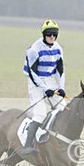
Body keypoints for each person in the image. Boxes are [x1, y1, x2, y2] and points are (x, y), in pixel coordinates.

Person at [20, 19, 67, 156]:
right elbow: (32, 73)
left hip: (50, 81)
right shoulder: (34, 49)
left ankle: (52, 136)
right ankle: (27, 145)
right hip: (35, 82)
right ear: (43, 35)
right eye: (49, 34)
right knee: (40, 114)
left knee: (62, 107)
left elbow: (60, 71)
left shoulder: (58, 48)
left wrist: (61, 87)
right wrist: (44, 89)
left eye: (55, 35)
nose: (52, 37)